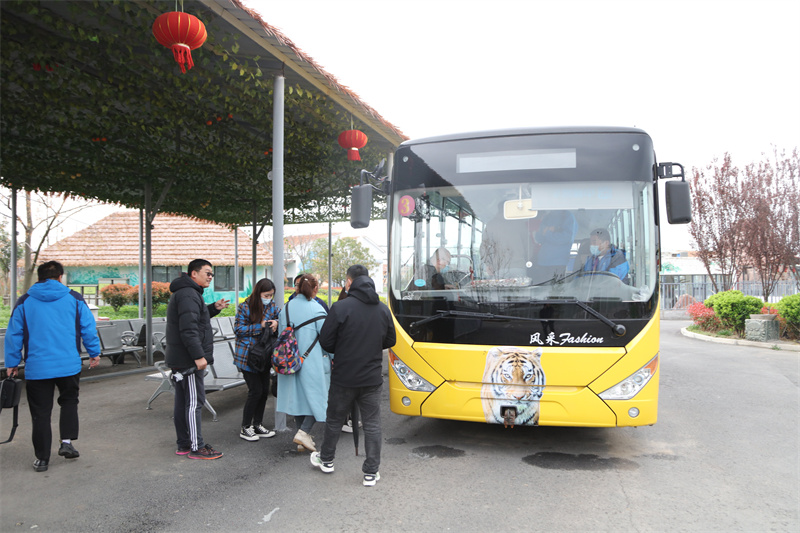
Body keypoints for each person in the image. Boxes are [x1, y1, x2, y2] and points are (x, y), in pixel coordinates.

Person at [4, 260, 102, 473]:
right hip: (69, 365)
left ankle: (42, 459)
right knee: (69, 402)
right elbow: (88, 327)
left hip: (37, 367)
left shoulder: (25, 301)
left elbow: (14, 334)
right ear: (60, 277)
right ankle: (66, 442)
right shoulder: (74, 298)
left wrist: (12, 363)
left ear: (39, 278)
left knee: (40, 413)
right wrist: (94, 352)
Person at [311, 265, 397, 487]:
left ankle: (327, 459)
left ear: (349, 282)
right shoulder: (383, 309)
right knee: (372, 425)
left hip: (343, 376)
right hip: (371, 378)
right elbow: (390, 340)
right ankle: (371, 472)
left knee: (334, 420)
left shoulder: (340, 308)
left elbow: (325, 341)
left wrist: (344, 347)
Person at [166, 259, 230, 460]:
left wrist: (213, 308)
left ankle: (184, 444)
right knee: (195, 402)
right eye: (207, 273)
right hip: (189, 360)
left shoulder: (188, 293)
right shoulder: (188, 294)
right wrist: (198, 356)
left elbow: (194, 319)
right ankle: (197, 446)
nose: (210, 277)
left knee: (183, 402)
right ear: (194, 273)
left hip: (181, 359)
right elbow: (189, 330)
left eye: (212, 274)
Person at [275, 274, 329, 453]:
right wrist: (334, 357)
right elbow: (327, 340)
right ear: (315, 289)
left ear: (296, 288)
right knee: (320, 397)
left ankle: (302, 439)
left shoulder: (286, 308)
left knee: (296, 399)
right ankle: (304, 432)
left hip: (289, 360)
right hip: (311, 361)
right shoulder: (318, 310)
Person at [233, 278, 279, 442]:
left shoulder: (272, 306)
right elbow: (238, 329)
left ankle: (258, 424)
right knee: (255, 391)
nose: (269, 298)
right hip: (247, 356)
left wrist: (276, 322)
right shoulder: (245, 306)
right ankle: (245, 427)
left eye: (271, 295)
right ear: (258, 292)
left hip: (264, 356)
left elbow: (280, 322)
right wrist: (259, 326)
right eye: (266, 295)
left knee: (263, 391)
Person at [530, 210, 577, 283]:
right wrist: (549, 231)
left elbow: (565, 238)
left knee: (555, 291)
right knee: (542, 290)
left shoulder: (568, 216)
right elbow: (539, 238)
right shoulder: (547, 216)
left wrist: (548, 233)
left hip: (558, 262)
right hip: (542, 261)